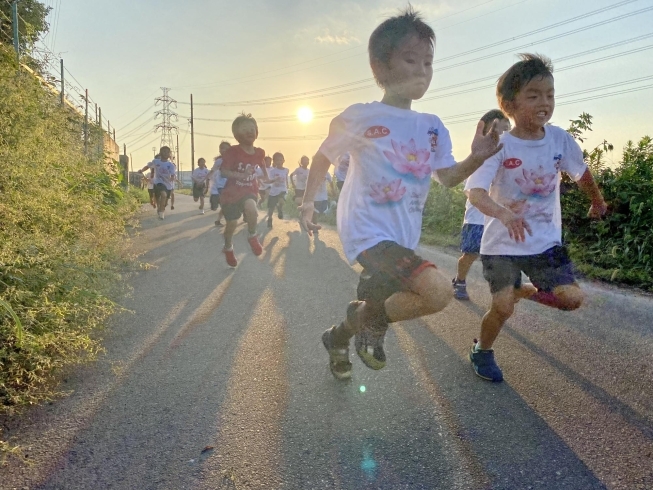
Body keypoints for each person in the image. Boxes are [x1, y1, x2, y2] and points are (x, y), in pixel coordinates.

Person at [299, 8, 502, 380]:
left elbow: (448, 178)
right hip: (366, 232)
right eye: (411, 59)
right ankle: (373, 322)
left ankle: (340, 335)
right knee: (437, 292)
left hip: (402, 238)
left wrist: (477, 157)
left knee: (381, 303)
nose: (422, 70)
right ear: (380, 67)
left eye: (428, 62)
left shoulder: (433, 127)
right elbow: (323, 156)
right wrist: (309, 201)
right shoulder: (360, 116)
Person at [465, 54, 607, 382]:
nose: (544, 103)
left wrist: (598, 203)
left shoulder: (560, 139)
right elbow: (475, 192)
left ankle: (523, 289)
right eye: (533, 95)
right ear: (509, 105)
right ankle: (482, 350)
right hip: (501, 245)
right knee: (502, 307)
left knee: (571, 299)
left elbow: (581, 173)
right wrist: (503, 214)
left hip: (545, 244)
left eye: (550, 95)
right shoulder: (497, 146)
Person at [452, 110, 537, 301]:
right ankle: (459, 280)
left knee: (507, 256)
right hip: (477, 219)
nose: (503, 134)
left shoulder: (513, 157)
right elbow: (472, 191)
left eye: (507, 129)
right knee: (471, 254)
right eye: (498, 130)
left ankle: (510, 291)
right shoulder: (480, 157)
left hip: (502, 220)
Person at [218, 113, 269, 267]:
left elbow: (261, 163)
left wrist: (266, 176)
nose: (250, 131)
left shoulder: (259, 152)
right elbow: (223, 171)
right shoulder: (233, 152)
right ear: (236, 134)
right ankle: (228, 247)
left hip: (249, 189)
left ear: (257, 132)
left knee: (252, 208)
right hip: (231, 194)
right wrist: (240, 174)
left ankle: (252, 235)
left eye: (252, 128)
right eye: (245, 129)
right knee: (232, 224)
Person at [137, 146, 176, 220]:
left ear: (169, 154)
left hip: (168, 184)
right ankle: (161, 212)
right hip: (158, 182)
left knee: (165, 201)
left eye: (167, 152)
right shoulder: (156, 161)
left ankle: (161, 208)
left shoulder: (171, 165)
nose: (165, 153)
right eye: (163, 151)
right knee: (163, 195)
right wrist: (142, 170)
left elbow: (173, 175)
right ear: (160, 153)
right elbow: (148, 166)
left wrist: (172, 178)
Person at [207, 141, 231, 226]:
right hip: (221, 186)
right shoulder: (219, 161)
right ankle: (229, 221)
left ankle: (218, 220)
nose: (224, 150)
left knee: (226, 205)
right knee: (225, 204)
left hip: (231, 185)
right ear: (219, 150)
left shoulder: (234, 160)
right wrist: (205, 178)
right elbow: (212, 171)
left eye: (226, 148)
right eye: (222, 148)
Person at [266, 152, 289, 228]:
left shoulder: (286, 170)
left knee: (281, 201)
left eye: (280, 160)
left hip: (282, 189)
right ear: (274, 162)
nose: (279, 162)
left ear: (283, 160)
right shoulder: (273, 171)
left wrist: (287, 186)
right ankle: (270, 218)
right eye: (277, 160)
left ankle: (280, 209)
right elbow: (270, 181)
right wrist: (275, 179)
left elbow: (286, 178)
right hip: (274, 191)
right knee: (271, 208)